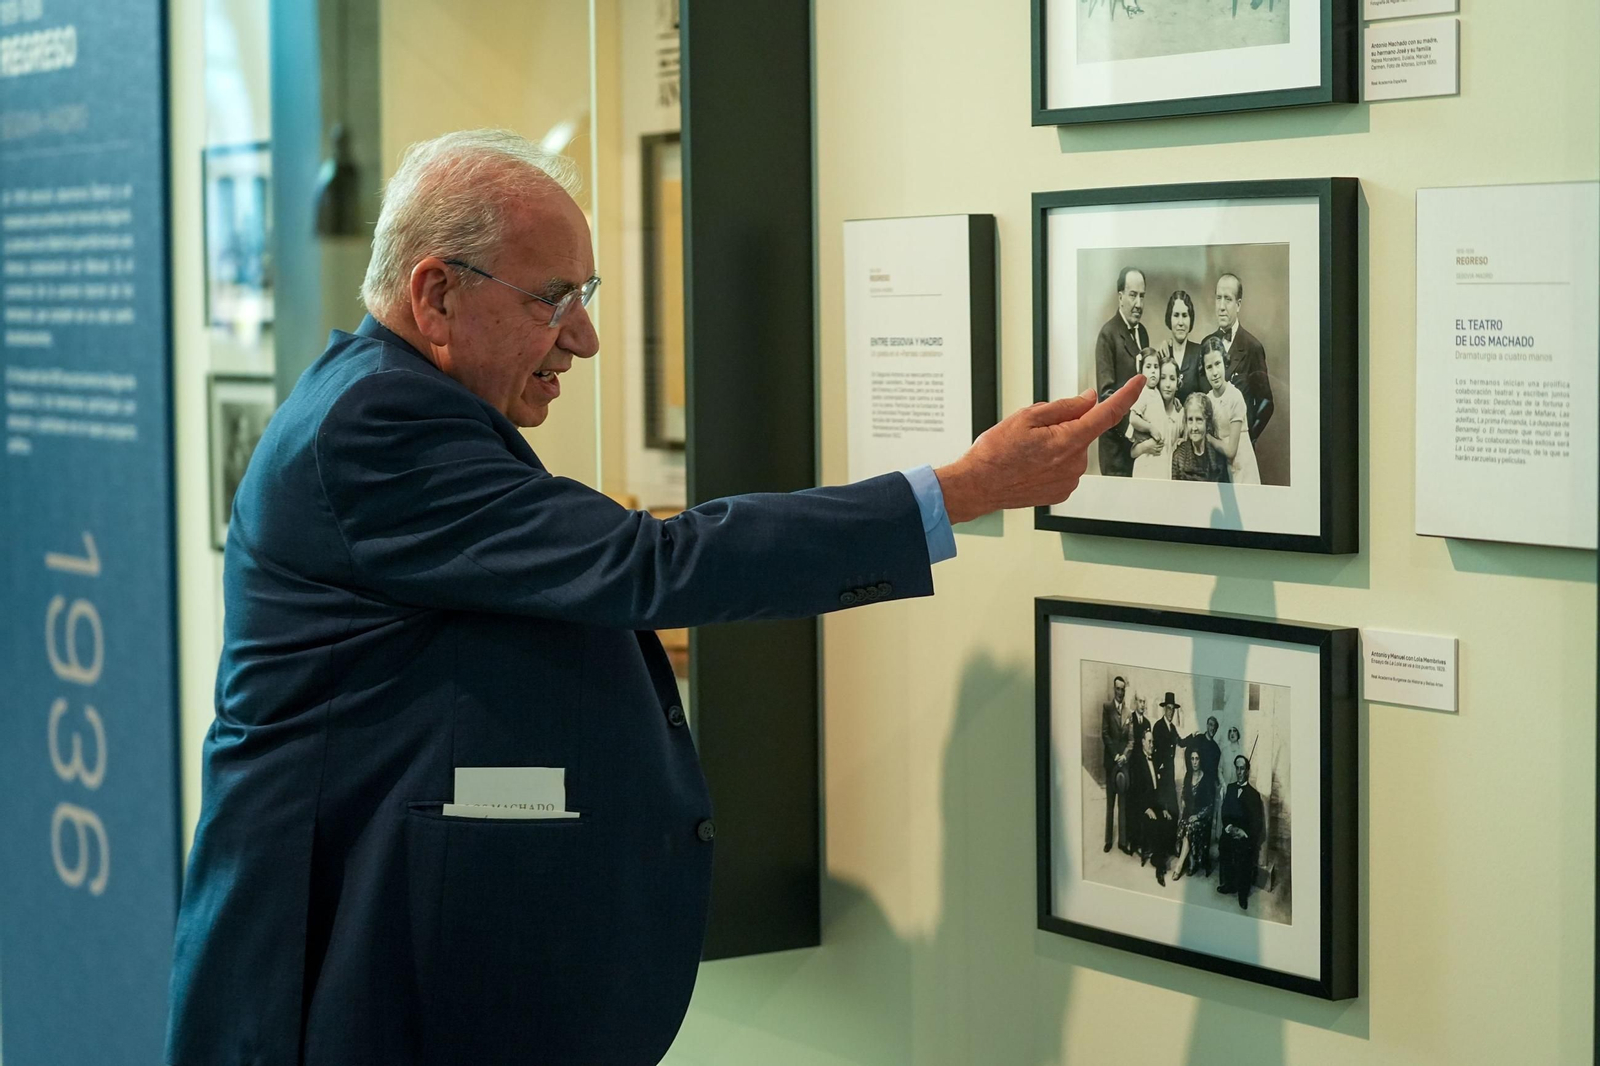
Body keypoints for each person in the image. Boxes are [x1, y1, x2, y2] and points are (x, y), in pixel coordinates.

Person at [164, 129, 1146, 1066]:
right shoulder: (376, 425)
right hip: (336, 984)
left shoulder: (382, 402)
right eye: (553, 299)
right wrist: (962, 488)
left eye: (582, 296)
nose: (583, 338)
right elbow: (650, 565)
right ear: (435, 295)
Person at [1094, 267, 1150, 478]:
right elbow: (1107, 396)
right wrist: (1132, 432)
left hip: (1139, 448)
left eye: (1142, 296)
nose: (1138, 304)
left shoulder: (1142, 333)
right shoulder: (1107, 335)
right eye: (1133, 295)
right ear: (1120, 297)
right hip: (1116, 448)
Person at [1208, 272, 1274, 445]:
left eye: (1228, 299)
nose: (1221, 306)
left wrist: (1248, 437)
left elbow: (1266, 402)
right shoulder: (1206, 344)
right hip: (1211, 449)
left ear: (1238, 305)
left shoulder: (1253, 348)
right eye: (1218, 298)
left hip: (1239, 449)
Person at [1201, 337, 1261, 485]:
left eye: (1217, 364)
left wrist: (1208, 438)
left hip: (1244, 466)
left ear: (1225, 363)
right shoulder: (1208, 399)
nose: (1215, 372)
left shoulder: (1235, 396)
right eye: (1209, 367)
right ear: (1204, 369)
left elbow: (1230, 451)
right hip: (1229, 469)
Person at [1218, 755, 1267, 911]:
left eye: (1242, 769)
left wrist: (1244, 832)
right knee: (1224, 844)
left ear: (1247, 771)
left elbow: (1257, 823)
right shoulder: (1231, 788)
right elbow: (1224, 812)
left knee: (1244, 853)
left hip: (1245, 835)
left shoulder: (1254, 795)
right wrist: (1230, 827)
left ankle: (1242, 894)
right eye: (1237, 768)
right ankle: (1229, 885)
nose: (1239, 772)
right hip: (1231, 830)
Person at [1171, 747, 1215, 880]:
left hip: (1202, 817)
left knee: (1189, 828)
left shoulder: (1206, 779)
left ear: (1200, 760)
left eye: (1197, 759)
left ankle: (1179, 866)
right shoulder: (1188, 775)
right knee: (1183, 824)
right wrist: (1182, 811)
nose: (1194, 762)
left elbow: (1210, 805)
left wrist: (1198, 816)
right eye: (1192, 759)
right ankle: (1191, 861)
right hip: (1189, 814)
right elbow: (1184, 795)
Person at [1126, 730, 1167, 874]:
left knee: (1168, 817)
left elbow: (1157, 790)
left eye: (1153, 742)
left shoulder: (1153, 759)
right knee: (1155, 822)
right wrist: (1146, 809)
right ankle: (1159, 862)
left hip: (1154, 802)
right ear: (1142, 742)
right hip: (1140, 806)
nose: (1151, 745)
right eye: (1149, 742)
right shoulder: (1136, 762)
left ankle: (1159, 855)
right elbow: (1134, 792)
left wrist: (1163, 808)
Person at [1170, 391, 1231, 483]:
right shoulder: (1178, 457)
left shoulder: (1218, 458)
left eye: (1199, 420)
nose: (1194, 427)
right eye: (1190, 420)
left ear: (1207, 423)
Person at [1101, 676, 1132, 854]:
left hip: (1124, 763)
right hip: (1112, 762)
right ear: (1114, 690)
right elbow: (1104, 734)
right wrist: (1116, 756)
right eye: (1117, 689)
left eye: (1122, 689)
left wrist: (1125, 757)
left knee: (1123, 803)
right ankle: (1108, 840)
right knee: (1110, 802)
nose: (1120, 692)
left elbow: (1131, 740)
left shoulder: (1129, 712)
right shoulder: (1107, 708)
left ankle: (1122, 841)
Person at [1124, 348, 1167, 479]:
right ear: (1141, 371)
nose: (1153, 370)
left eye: (1156, 366)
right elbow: (1133, 418)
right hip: (1146, 459)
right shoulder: (1143, 393)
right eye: (1148, 367)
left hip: (1156, 458)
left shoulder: (1155, 392)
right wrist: (1151, 428)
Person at [1161, 290, 1206, 405]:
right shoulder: (1162, 355)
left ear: (1190, 319)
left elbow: (1206, 398)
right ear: (1169, 319)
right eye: (1176, 315)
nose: (1180, 322)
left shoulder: (1200, 353)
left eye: (1185, 315)